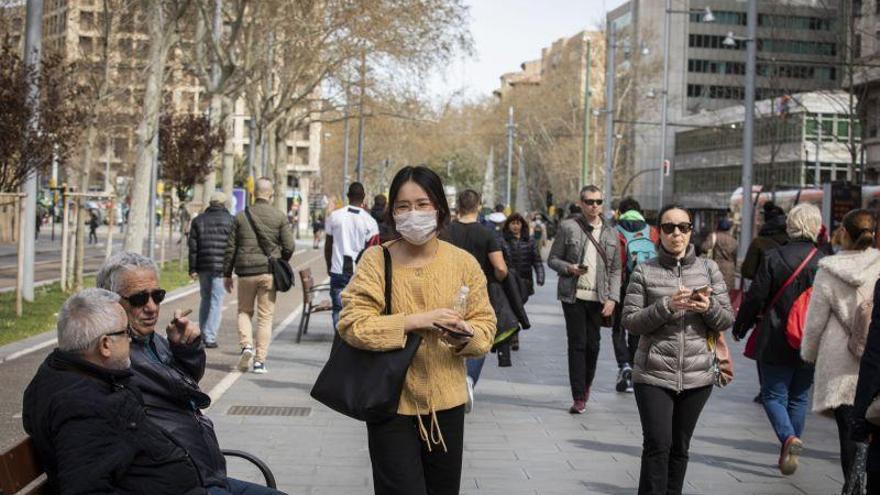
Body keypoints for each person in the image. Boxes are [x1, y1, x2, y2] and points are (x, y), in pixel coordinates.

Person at [337, 166, 497, 495]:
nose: (414, 213)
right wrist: (415, 321)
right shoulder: (375, 260)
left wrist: (464, 334)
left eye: (422, 204)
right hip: (391, 404)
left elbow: (485, 328)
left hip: (447, 404)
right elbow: (352, 324)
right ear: (392, 212)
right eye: (403, 206)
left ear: (439, 207)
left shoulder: (463, 263)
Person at [96, 253, 286, 495]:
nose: (152, 307)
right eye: (139, 298)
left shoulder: (150, 339)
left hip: (205, 472)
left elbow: (183, 386)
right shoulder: (112, 354)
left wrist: (186, 349)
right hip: (183, 482)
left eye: (157, 296)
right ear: (110, 302)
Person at [22, 289, 205, 495]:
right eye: (126, 332)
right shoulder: (83, 407)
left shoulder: (72, 373)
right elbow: (87, 490)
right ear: (105, 345)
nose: (130, 339)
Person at [622, 204, 733, 495]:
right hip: (653, 373)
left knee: (680, 448)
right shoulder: (644, 272)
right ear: (659, 232)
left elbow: (726, 319)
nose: (676, 234)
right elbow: (631, 321)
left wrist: (708, 308)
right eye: (669, 228)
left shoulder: (709, 269)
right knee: (658, 444)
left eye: (682, 227)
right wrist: (666, 306)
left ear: (690, 232)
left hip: (697, 377)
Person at [733, 203, 825, 476]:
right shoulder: (825, 260)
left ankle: (788, 439)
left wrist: (741, 327)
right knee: (798, 397)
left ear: (791, 226)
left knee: (774, 395)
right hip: (811, 340)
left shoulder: (774, 257)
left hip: (775, 337)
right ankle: (789, 448)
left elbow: (756, 297)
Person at [801, 209, 880, 490]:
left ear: (844, 233)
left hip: (840, 362)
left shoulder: (829, 270)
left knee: (849, 428)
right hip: (875, 358)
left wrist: (808, 354)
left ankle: (852, 484)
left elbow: (815, 322)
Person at [548, 185, 623, 414]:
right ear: (581, 203)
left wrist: (613, 298)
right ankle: (578, 396)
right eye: (589, 202)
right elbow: (552, 259)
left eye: (598, 201)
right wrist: (569, 268)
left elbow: (616, 270)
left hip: (599, 297)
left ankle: (587, 385)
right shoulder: (568, 227)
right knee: (577, 344)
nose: (594, 206)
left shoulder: (611, 233)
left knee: (594, 345)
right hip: (573, 295)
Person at [223, 177, 295, 374]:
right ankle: (259, 362)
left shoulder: (240, 216)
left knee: (244, 311)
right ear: (271, 194)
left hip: (245, 272)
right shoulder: (279, 216)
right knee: (265, 317)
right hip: (268, 272)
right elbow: (289, 246)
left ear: (253, 193)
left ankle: (246, 346)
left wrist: (227, 274)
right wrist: (281, 260)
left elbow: (231, 248)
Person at [443, 189, 508, 405]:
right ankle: (468, 378)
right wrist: (497, 277)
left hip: (448, 290)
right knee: (478, 334)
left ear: (458, 207)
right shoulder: (487, 234)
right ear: (478, 206)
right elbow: (500, 268)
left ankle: (451, 380)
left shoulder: (446, 231)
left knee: (448, 334)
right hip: (480, 292)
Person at [612, 197, 658, 393]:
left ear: (620, 212)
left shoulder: (614, 231)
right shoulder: (653, 231)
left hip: (621, 285)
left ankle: (624, 365)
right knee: (637, 327)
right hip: (645, 286)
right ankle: (634, 366)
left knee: (618, 328)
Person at [324, 182, 380, 328]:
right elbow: (373, 252)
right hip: (360, 273)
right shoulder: (370, 222)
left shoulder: (335, 216)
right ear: (363, 198)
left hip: (338, 270)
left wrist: (328, 266)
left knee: (338, 309)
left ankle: (339, 340)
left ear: (348, 196)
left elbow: (328, 245)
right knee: (358, 311)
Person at [189, 192, 235, 348]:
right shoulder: (231, 221)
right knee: (216, 300)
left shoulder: (198, 220)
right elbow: (233, 247)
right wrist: (231, 269)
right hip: (220, 267)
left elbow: (193, 248)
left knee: (205, 298)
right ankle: (209, 336)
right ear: (224, 204)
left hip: (203, 266)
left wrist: (192, 268)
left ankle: (203, 333)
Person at [501, 212, 544, 351]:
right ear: (508, 225)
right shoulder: (502, 241)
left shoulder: (530, 241)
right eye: (512, 223)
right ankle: (513, 337)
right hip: (508, 282)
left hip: (525, 282)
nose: (515, 226)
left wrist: (540, 276)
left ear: (522, 225)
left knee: (517, 307)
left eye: (518, 223)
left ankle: (513, 332)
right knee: (514, 308)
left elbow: (537, 260)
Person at [741, 202, 788, 281]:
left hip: (764, 290)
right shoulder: (794, 242)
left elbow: (748, 272)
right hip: (789, 290)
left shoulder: (759, 243)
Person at [699, 217, 738, 293]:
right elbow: (735, 257)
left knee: (714, 293)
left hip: (716, 268)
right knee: (726, 293)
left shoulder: (714, 236)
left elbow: (704, 248)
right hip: (730, 270)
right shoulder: (733, 240)